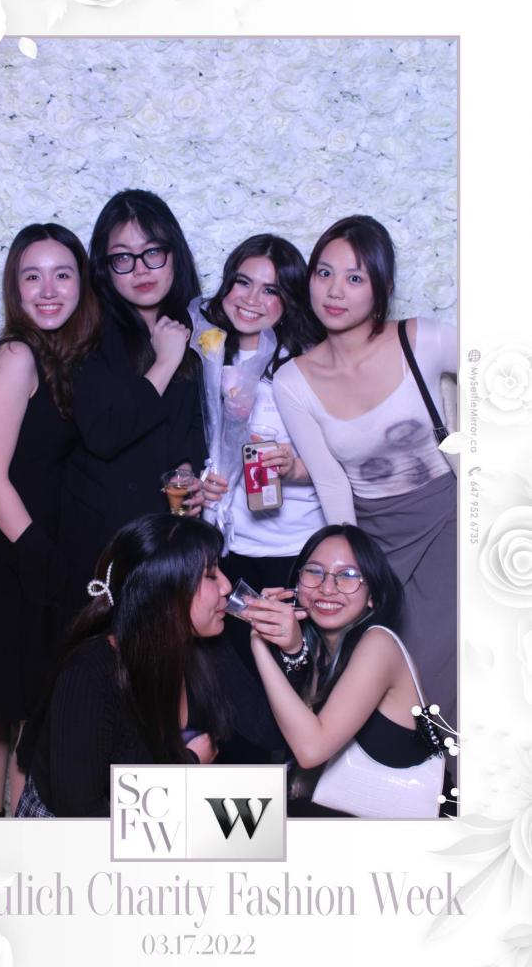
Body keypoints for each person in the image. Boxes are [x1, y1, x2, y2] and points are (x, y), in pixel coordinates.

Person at [272, 215, 457, 729]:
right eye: (324, 273)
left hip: (448, 517)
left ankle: (462, 771)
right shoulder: (293, 381)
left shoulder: (421, 339)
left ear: (381, 287)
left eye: (355, 277)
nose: (335, 291)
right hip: (373, 536)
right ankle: (411, 773)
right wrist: (352, 569)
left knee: (448, 662)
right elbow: (332, 481)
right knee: (378, 666)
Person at [0, 222, 99, 817]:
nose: (48, 290)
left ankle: (16, 833)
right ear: (15, 287)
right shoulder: (15, 355)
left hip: (29, 547)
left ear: (83, 284)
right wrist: (47, 565)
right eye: (33, 277)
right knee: (0, 700)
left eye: (63, 275)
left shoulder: (63, 359)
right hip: (1, 551)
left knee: (24, 701)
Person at [15, 514, 233, 818]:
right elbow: (80, 815)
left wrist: (284, 648)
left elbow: (266, 735)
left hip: (151, 826)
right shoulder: (89, 674)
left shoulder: (199, 650)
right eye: (210, 575)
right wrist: (187, 767)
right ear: (165, 592)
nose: (227, 586)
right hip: (75, 840)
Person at [59, 189, 207, 615]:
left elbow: (190, 426)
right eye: (123, 257)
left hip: (167, 542)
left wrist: (187, 473)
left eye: (152, 252)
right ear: (105, 268)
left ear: (174, 254)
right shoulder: (87, 333)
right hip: (105, 544)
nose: (140, 268)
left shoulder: (193, 328)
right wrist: (164, 362)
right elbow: (105, 434)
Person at [243, 524, 444, 817]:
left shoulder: (379, 644)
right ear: (297, 584)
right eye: (314, 571)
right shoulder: (317, 652)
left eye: (348, 575)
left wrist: (258, 642)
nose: (327, 588)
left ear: (372, 594)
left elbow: (311, 750)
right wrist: (293, 651)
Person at [201, 233, 325, 592]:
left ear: (289, 300)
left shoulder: (307, 364)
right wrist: (205, 477)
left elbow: (342, 462)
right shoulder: (209, 355)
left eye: (270, 290)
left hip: (294, 546)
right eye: (243, 282)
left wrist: (291, 467)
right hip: (225, 542)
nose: (251, 299)